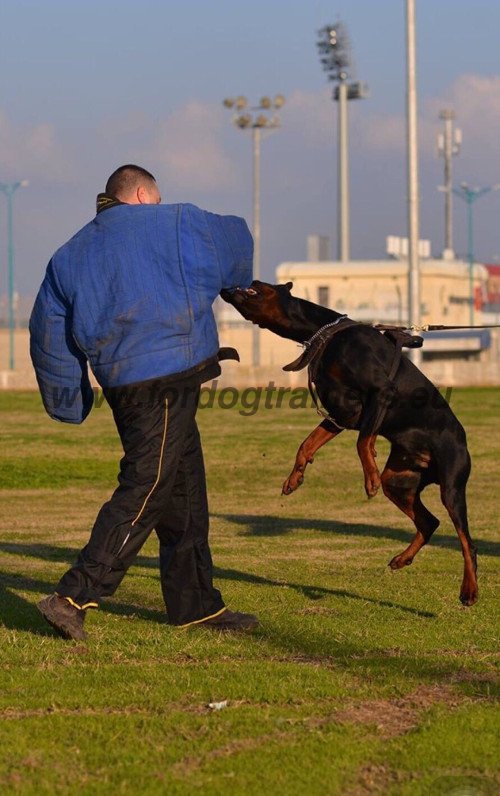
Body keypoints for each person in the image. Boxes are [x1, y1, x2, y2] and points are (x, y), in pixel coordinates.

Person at [31, 164, 258, 640]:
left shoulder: (67, 255)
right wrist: (236, 280)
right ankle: (73, 595)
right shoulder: (173, 221)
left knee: (184, 490)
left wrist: (68, 400)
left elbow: (48, 334)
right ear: (140, 194)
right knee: (149, 483)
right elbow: (234, 240)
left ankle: (195, 604)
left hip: (122, 383)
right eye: (155, 200)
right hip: (167, 376)